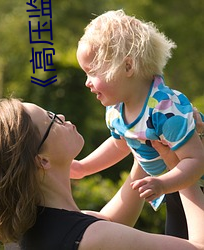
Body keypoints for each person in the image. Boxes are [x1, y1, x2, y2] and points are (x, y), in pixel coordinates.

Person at [0, 98, 204, 250]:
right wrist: (180, 165)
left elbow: (111, 221)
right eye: (51, 120)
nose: (60, 116)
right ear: (42, 160)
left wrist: (144, 137)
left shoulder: (26, 234)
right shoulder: (92, 238)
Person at [73, 9, 204, 238]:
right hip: (174, 188)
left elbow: (196, 160)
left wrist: (163, 184)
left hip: (193, 185)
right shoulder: (116, 110)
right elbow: (120, 145)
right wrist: (84, 167)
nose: (87, 82)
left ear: (127, 67)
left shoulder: (165, 109)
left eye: (92, 72)